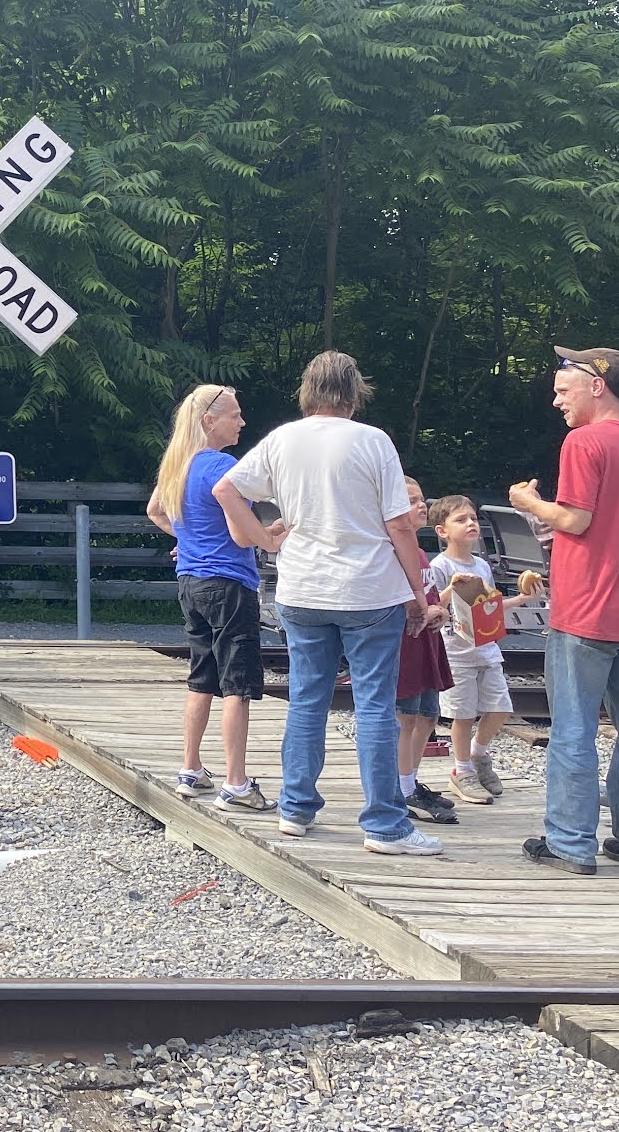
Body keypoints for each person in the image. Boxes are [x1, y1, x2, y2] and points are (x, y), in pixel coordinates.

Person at [214, 351, 442, 857]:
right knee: (376, 706)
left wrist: (263, 541)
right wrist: (415, 593)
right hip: (368, 592)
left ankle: (295, 809)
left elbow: (226, 489)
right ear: (354, 390)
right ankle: (385, 825)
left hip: (302, 590)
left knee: (307, 699)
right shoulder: (372, 441)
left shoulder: (281, 439)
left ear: (308, 389)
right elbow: (400, 524)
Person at [510, 346, 619, 876]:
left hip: (585, 611)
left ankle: (569, 844)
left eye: (563, 389)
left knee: (572, 728)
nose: (555, 399)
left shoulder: (584, 441)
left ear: (597, 384)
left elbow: (575, 520)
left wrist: (530, 504)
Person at [145, 384, 284, 812]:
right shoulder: (223, 466)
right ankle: (237, 784)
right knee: (237, 686)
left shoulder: (178, 466)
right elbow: (244, 535)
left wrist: (189, 540)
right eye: (235, 415)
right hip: (229, 585)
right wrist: (274, 537)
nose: (242, 422)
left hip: (191, 582)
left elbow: (155, 511)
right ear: (210, 421)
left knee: (202, 676)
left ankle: (190, 769)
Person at [426, 494, 532, 805]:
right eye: (461, 519)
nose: (471, 523)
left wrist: (521, 600)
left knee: (500, 707)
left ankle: (478, 754)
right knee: (462, 714)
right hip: (455, 651)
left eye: (473, 518)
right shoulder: (440, 565)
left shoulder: (482, 565)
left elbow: (489, 607)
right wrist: (451, 586)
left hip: (486, 647)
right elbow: (433, 605)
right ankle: (461, 771)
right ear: (442, 531)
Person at [394, 477, 456, 824]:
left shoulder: (419, 552)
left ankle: (409, 779)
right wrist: (424, 611)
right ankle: (401, 790)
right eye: (412, 500)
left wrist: (440, 611)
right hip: (406, 643)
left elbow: (431, 596)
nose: (422, 505)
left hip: (427, 641)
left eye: (422, 499)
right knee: (406, 718)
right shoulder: (394, 549)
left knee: (428, 716)